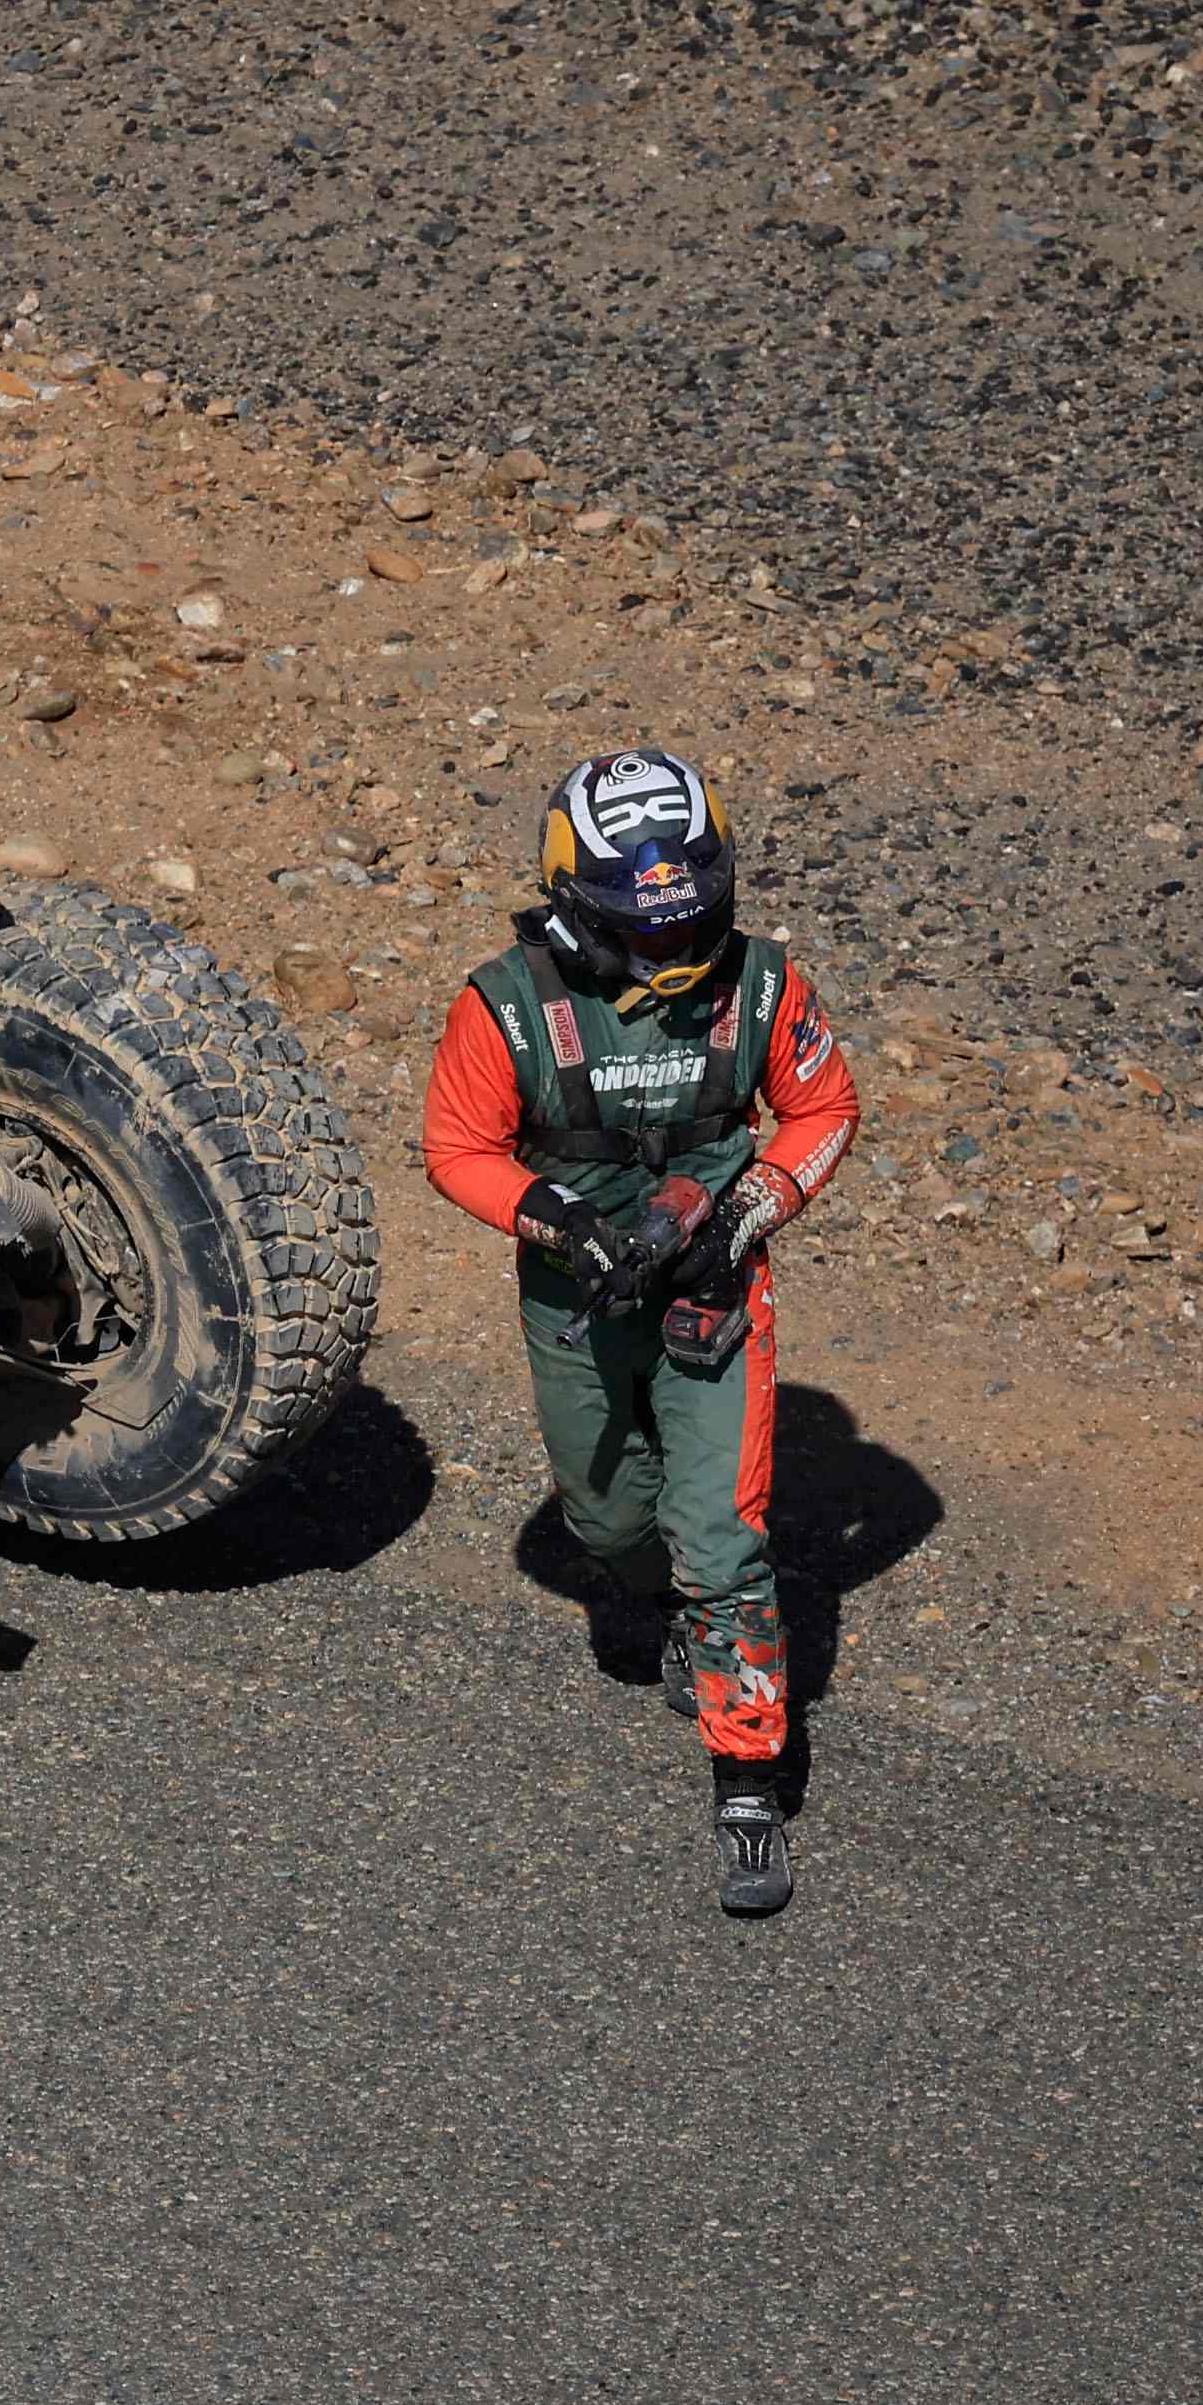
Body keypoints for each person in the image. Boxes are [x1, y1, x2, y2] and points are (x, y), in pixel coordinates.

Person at [420, 747, 861, 1918]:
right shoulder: (504, 1002)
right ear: (574, 902)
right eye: (644, 930)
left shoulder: (766, 987)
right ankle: (662, 1605)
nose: (677, 950)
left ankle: (747, 1780)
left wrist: (751, 1210)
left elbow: (823, 1107)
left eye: (694, 919)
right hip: (574, 1297)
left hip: (717, 1287)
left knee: (721, 1539)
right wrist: (553, 1218)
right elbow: (454, 1145)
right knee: (608, 1519)